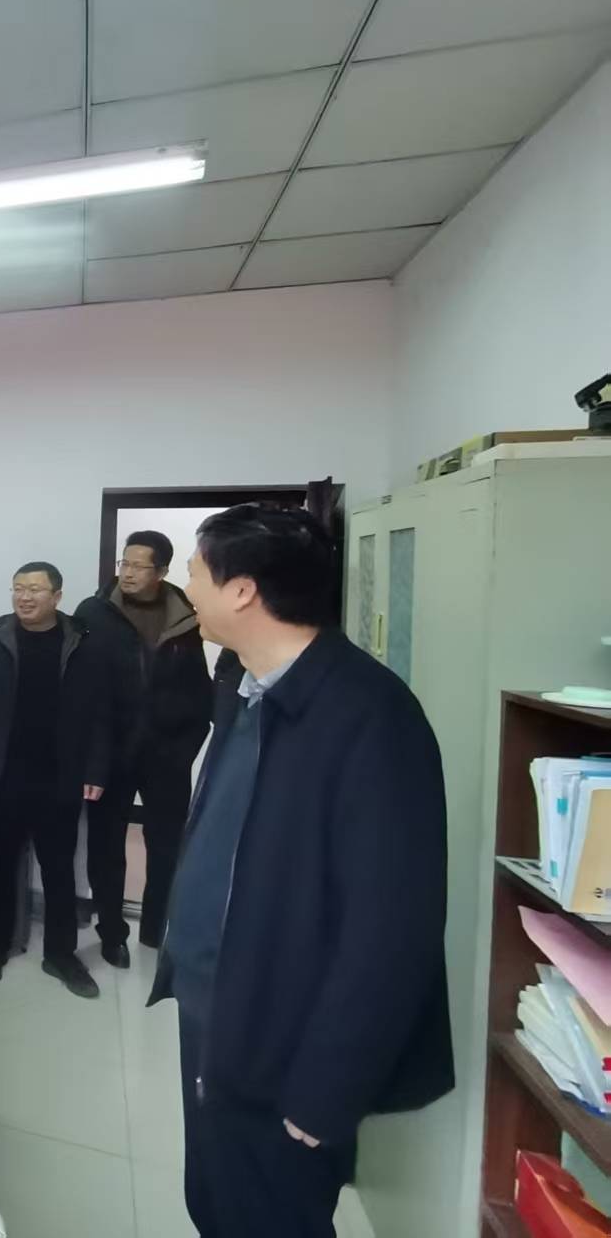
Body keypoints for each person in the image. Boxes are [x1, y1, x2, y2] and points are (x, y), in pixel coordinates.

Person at [151, 505, 453, 1236]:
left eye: (196, 570)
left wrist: (327, 1091)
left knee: (271, 1217)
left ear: (242, 591)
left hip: (284, 1037)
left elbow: (392, 932)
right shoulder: (247, 684)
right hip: (215, 1008)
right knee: (214, 1202)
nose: (186, 585)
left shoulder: (371, 716)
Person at [0, 562, 111, 997]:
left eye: (35, 590)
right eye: (18, 588)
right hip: (6, 773)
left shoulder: (82, 643)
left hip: (61, 776)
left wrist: (96, 768)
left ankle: (61, 955)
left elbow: (101, 712)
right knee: (0, 865)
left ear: (57, 596)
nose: (24, 597)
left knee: (59, 870)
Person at [74, 530, 212, 962]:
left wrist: (186, 746)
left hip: (167, 756)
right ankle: (111, 933)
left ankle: (155, 927)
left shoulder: (184, 615)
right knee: (106, 847)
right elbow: (80, 688)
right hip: (110, 754)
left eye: (139, 565)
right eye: (125, 563)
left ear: (162, 571)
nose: (128, 573)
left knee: (167, 845)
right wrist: (90, 755)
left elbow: (198, 688)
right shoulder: (94, 612)